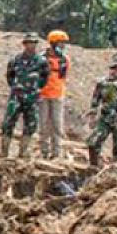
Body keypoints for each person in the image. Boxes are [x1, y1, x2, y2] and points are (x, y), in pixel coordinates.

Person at [0, 33, 51, 159]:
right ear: (24, 44)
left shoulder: (42, 61)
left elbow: (45, 78)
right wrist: (16, 87)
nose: (31, 45)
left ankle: (23, 151)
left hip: (32, 98)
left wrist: (36, 89)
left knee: (31, 124)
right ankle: (4, 151)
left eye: (33, 42)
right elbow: (9, 76)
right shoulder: (15, 60)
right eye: (29, 42)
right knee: (8, 123)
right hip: (16, 97)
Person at [39, 30, 71, 159]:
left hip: (57, 95)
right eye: (61, 43)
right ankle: (44, 152)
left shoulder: (65, 59)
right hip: (43, 94)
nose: (63, 46)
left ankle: (57, 153)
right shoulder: (41, 58)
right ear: (53, 43)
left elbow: (63, 76)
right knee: (43, 124)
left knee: (57, 125)